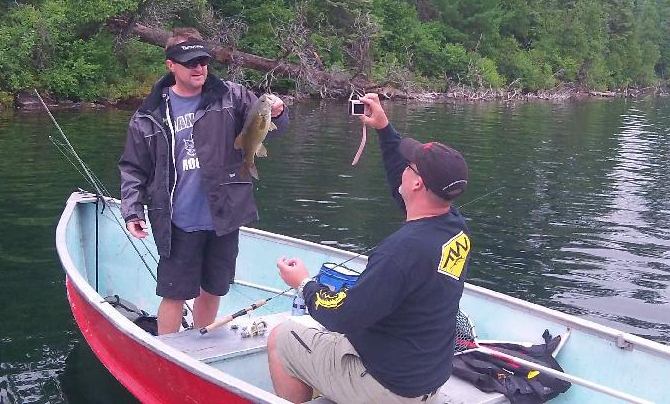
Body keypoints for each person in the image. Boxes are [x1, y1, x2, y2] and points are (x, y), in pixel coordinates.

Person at [267, 93, 471, 404]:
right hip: (426, 378)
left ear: (417, 184)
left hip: (387, 389)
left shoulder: (399, 253)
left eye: (409, 164)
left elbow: (343, 317)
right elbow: (401, 189)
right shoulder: (455, 227)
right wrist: (384, 129)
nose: (403, 167)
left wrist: (304, 285)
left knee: (280, 339)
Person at [119, 27, 288, 335]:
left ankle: (202, 344)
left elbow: (270, 123)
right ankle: (169, 352)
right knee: (174, 294)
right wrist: (133, 210)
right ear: (171, 65)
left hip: (224, 216)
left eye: (203, 61)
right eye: (190, 62)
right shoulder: (149, 114)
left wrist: (278, 112)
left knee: (213, 288)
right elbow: (133, 167)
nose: (198, 68)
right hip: (178, 220)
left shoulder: (232, 96)